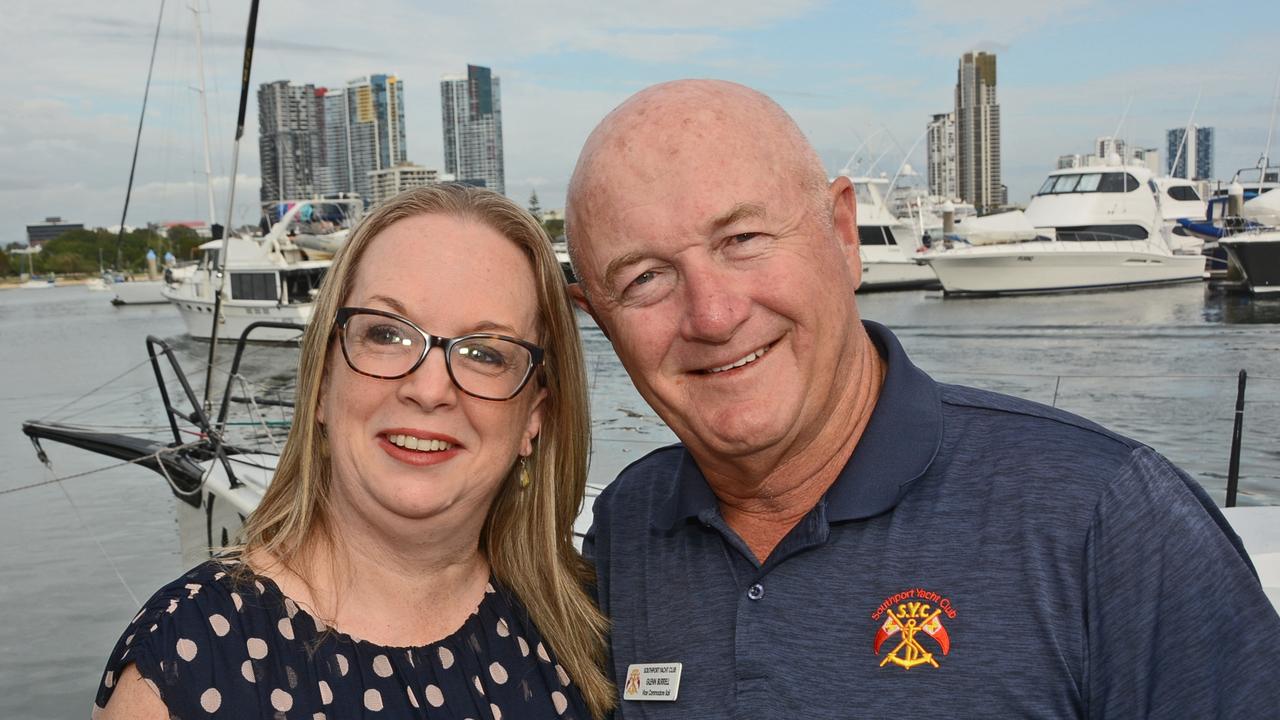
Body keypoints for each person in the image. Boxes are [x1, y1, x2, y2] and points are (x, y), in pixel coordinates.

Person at [566, 79, 1280, 717]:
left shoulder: (1108, 519)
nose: (713, 316)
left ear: (843, 236)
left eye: (744, 237)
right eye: (645, 279)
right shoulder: (628, 528)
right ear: (597, 318)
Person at [94, 185, 614, 719]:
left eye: (484, 352)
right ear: (322, 381)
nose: (430, 389)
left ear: (534, 415)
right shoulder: (189, 663)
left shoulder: (586, 630)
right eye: (387, 334)